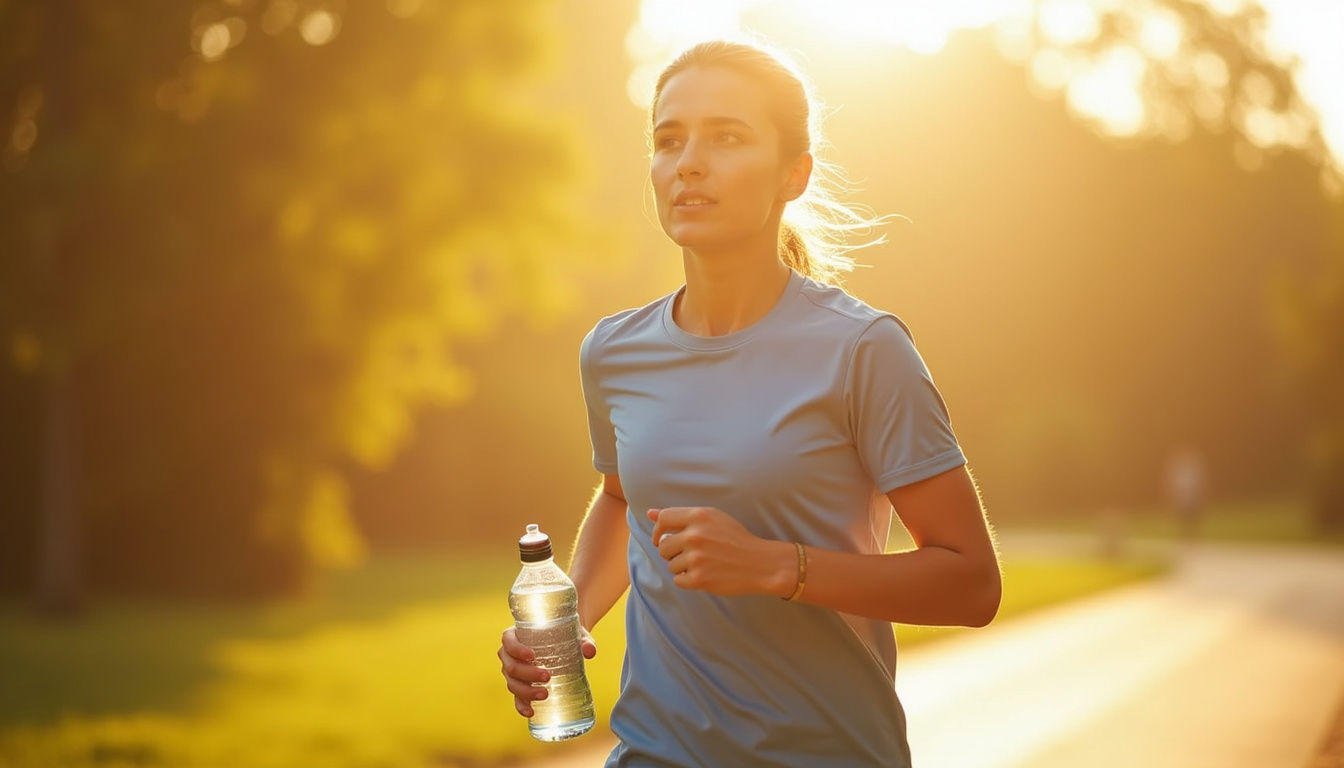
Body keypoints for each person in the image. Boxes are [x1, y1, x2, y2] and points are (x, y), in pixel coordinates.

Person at [498, 38, 1002, 767]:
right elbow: (620, 499)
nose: (689, 162)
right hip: (652, 753)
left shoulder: (863, 349)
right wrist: (565, 620)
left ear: (792, 174)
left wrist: (778, 566)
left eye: (726, 137)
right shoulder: (613, 351)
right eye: (669, 140)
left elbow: (972, 583)